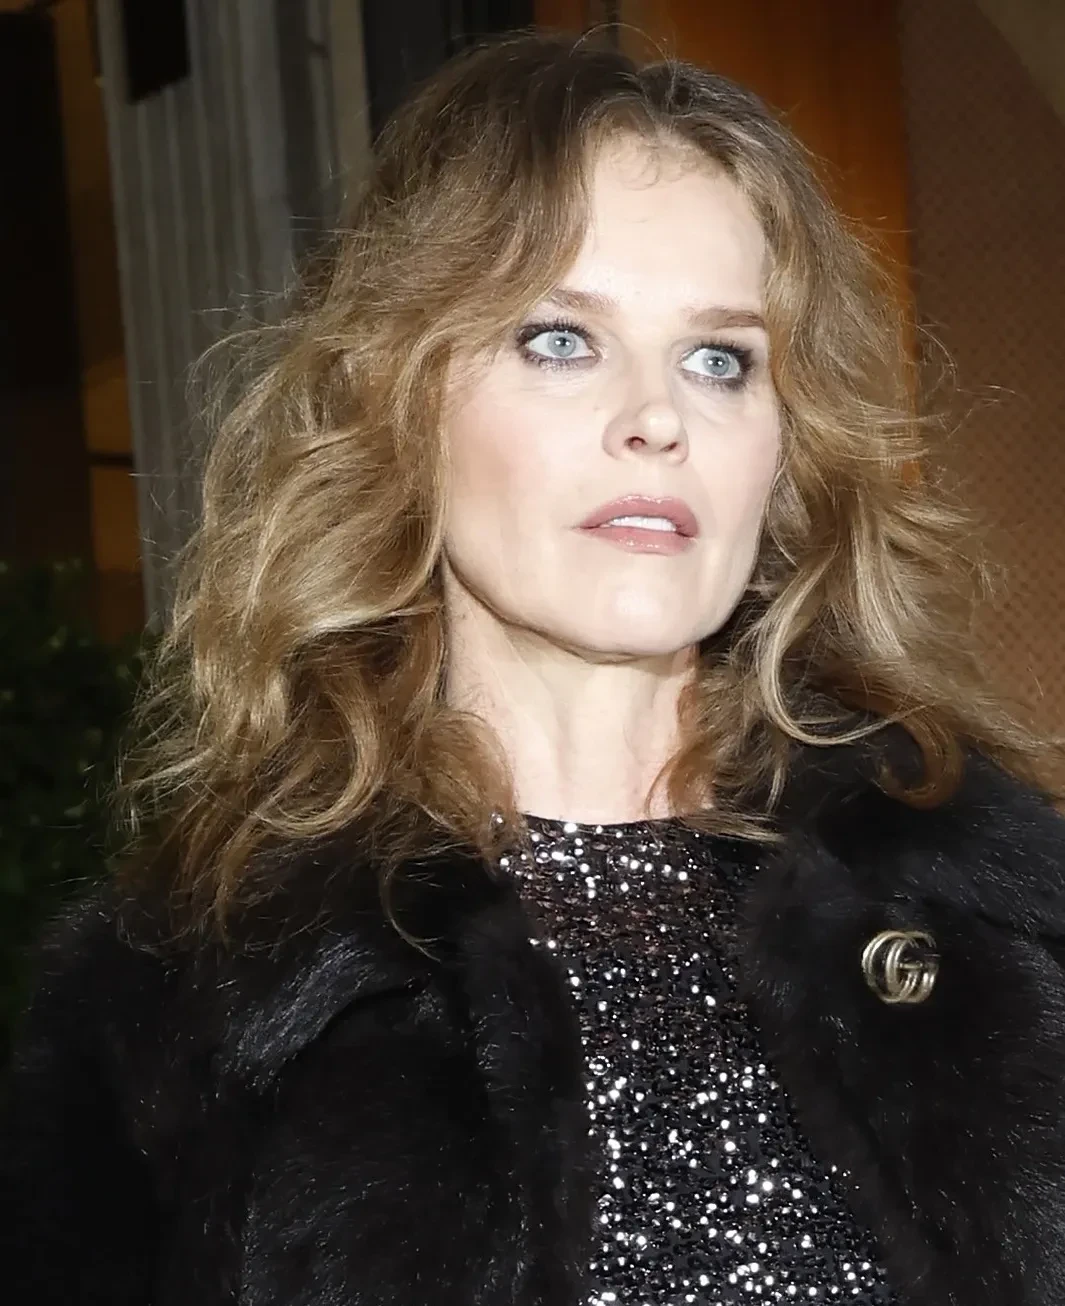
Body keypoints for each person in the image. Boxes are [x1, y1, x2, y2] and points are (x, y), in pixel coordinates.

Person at [3, 27, 1065, 1306]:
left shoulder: (1005, 920)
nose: (658, 417)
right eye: (561, 338)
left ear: (784, 450)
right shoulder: (190, 1002)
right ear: (401, 400)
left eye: (720, 359)